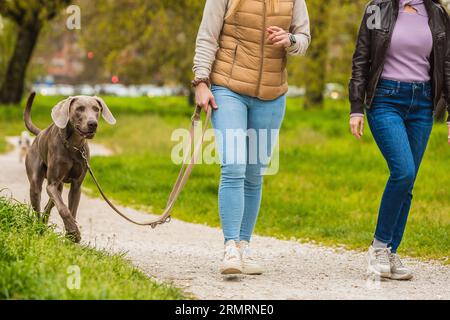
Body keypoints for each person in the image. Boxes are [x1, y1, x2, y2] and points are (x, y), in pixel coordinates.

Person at [192, 0, 310, 275]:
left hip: (272, 95)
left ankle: (245, 244)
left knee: (255, 172)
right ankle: (230, 246)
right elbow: (207, 35)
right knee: (234, 165)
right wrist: (201, 81)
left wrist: (289, 39)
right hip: (228, 88)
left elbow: (304, 39)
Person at [349, 0, 449, 280]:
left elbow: (447, 63)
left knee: (408, 181)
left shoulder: (437, 13)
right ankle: (378, 247)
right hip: (385, 100)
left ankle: (391, 251)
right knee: (403, 171)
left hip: (423, 103)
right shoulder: (376, 9)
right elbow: (361, 57)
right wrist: (356, 106)